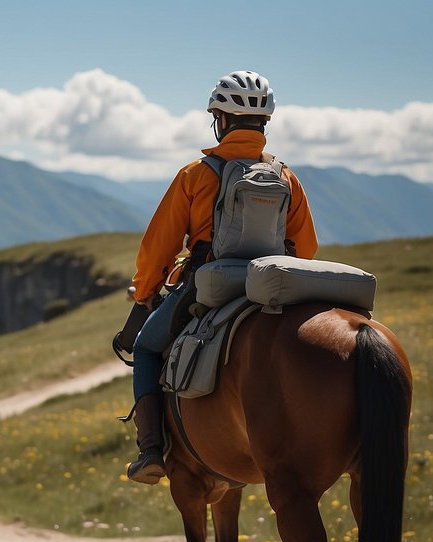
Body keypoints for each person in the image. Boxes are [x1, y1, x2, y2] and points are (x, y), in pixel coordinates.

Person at [125, 70, 319, 484]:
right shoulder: (286, 177)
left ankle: (152, 451)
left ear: (221, 120)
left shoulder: (196, 174)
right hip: (272, 284)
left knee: (144, 348)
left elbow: (158, 245)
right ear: (264, 123)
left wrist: (145, 291)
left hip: (206, 283)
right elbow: (306, 248)